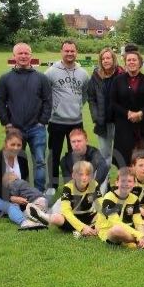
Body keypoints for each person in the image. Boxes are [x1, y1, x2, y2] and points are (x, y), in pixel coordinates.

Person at [0, 42, 52, 191]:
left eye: (26, 53)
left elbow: (48, 101)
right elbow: (0, 101)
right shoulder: (5, 78)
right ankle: (19, 191)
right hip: (14, 129)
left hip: (36, 128)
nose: (23, 56)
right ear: (14, 56)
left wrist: (42, 121)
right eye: (20, 53)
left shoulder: (41, 78)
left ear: (31, 55)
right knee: (15, 161)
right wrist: (6, 123)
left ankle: (39, 193)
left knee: (39, 162)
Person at [0, 128, 46, 230]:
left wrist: (25, 196)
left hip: (18, 193)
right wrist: (12, 198)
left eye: (19, 145)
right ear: (6, 144)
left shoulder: (22, 158)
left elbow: (24, 181)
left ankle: (42, 217)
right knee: (12, 205)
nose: (16, 148)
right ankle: (24, 222)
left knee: (39, 199)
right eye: (12, 144)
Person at [44, 40, 90, 188]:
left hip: (76, 122)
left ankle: (74, 184)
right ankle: (52, 185)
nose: (69, 53)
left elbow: (85, 95)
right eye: (67, 51)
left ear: (76, 52)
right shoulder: (51, 72)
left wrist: (76, 106)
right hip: (56, 121)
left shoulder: (83, 73)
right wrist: (54, 108)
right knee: (54, 154)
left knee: (76, 155)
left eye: (72, 51)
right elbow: (45, 94)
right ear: (61, 52)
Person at [110, 46, 144, 167]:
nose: (131, 62)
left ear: (140, 62)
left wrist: (140, 113)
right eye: (129, 60)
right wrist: (128, 113)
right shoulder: (117, 81)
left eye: (134, 60)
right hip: (124, 124)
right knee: (125, 161)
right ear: (125, 63)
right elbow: (113, 102)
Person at [87, 47, 124, 167]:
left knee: (121, 155)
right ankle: (104, 179)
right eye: (103, 59)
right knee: (104, 155)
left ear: (113, 59)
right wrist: (96, 117)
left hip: (120, 122)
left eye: (108, 58)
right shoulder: (96, 76)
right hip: (102, 122)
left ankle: (122, 178)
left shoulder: (122, 74)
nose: (106, 61)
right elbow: (91, 98)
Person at [95, 167, 144, 249]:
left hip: (128, 227)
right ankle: (136, 241)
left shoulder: (134, 198)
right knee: (116, 230)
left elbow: (138, 221)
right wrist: (138, 235)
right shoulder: (108, 198)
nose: (126, 184)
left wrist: (142, 234)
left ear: (134, 184)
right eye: (123, 181)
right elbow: (116, 223)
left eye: (129, 181)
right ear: (117, 183)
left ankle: (140, 239)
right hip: (109, 230)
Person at [44, 160, 101, 236]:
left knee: (106, 215)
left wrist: (99, 223)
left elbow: (101, 206)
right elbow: (66, 211)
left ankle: (90, 230)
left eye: (87, 175)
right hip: (72, 217)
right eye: (81, 174)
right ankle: (85, 230)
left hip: (89, 216)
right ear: (73, 175)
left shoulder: (94, 184)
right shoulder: (68, 187)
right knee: (55, 218)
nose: (84, 178)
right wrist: (82, 227)